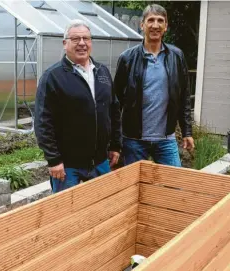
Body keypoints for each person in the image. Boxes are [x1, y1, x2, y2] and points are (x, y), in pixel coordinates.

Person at [34, 19, 122, 193]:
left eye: (86, 38)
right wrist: (53, 160)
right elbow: (43, 121)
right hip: (67, 166)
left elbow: (114, 110)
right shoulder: (53, 77)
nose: (82, 43)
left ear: (91, 43)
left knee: (102, 206)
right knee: (66, 213)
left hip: (100, 162)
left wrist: (115, 146)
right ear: (65, 43)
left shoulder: (102, 72)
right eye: (75, 39)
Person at [114, 4, 194, 167]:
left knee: (174, 185)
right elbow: (116, 101)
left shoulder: (176, 57)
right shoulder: (127, 59)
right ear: (142, 25)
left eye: (160, 21)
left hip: (166, 139)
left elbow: (184, 96)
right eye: (151, 20)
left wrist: (187, 132)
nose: (155, 25)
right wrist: (114, 141)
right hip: (133, 140)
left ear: (166, 26)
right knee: (135, 189)